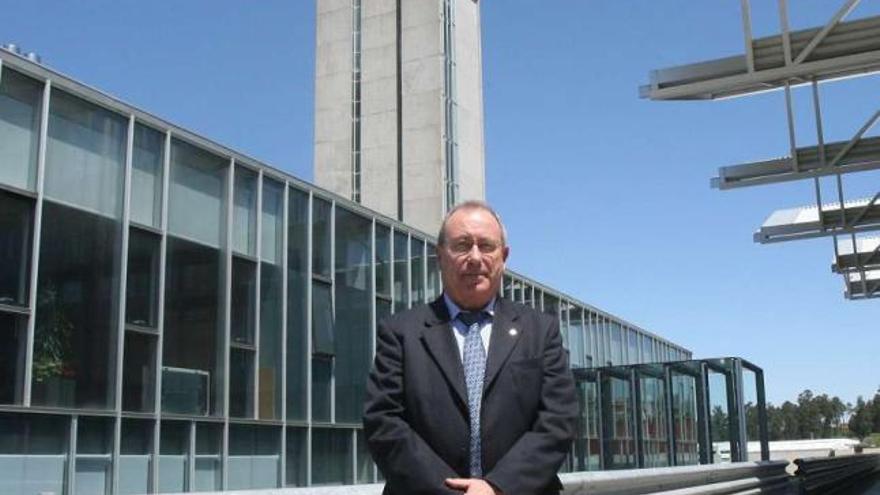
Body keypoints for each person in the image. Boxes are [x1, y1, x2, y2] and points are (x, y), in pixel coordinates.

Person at [364, 201, 576, 495]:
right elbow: (383, 422)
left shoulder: (541, 331)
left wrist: (497, 487)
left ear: (503, 257)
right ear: (440, 256)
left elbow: (558, 420)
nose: (475, 257)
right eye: (462, 245)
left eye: (486, 246)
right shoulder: (400, 332)